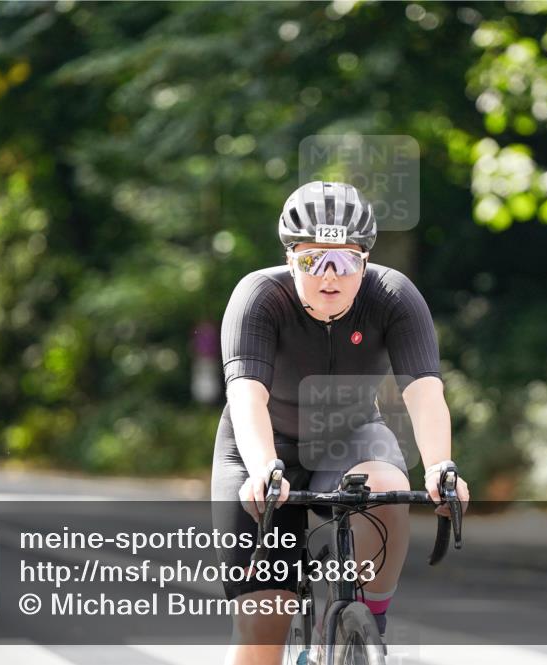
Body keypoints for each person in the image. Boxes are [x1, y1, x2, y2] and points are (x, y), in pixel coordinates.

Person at [212, 181, 470, 664]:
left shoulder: (393, 296)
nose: (330, 275)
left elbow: (425, 391)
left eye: (346, 261)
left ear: (365, 263)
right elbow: (246, 395)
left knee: (389, 487)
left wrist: (440, 468)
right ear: (290, 260)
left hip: (350, 440)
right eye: (313, 260)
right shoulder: (259, 297)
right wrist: (265, 467)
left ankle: (368, 623)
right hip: (263, 447)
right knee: (263, 630)